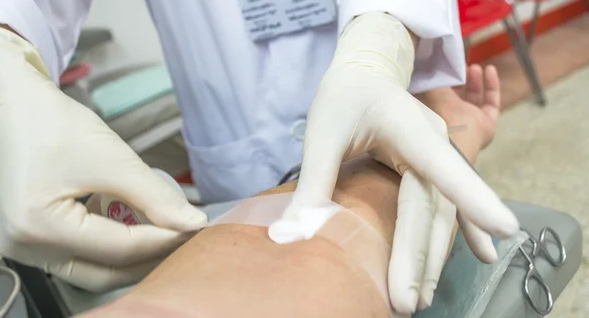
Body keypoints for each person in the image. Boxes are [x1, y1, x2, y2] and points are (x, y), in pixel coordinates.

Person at [0, 0, 518, 313]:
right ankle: (453, 128)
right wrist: (0, 66)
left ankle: (448, 126)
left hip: (387, 90)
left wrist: (381, 42)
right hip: (238, 135)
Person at [77, 64, 503, 317]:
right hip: (234, 144)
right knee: (314, 247)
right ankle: (453, 128)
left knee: (310, 243)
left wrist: (375, 57)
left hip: (358, 101)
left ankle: (450, 126)